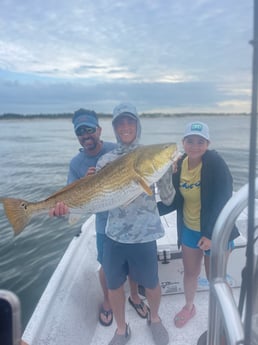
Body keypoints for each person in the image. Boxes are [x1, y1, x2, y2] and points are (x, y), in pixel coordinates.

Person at [50, 108, 149, 327]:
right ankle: (107, 300)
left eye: (90, 129)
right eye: (80, 131)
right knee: (106, 265)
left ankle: (134, 296)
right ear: (77, 135)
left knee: (132, 265)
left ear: (99, 130)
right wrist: (64, 207)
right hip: (103, 223)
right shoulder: (76, 163)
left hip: (126, 221)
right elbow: (70, 199)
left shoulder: (117, 151)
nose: (86, 135)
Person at [96, 103, 174, 345]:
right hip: (115, 236)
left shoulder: (150, 155)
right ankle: (121, 329)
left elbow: (169, 198)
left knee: (151, 284)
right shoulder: (106, 160)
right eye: (120, 123)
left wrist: (166, 174)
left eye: (130, 122)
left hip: (145, 234)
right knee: (114, 286)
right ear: (115, 127)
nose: (125, 127)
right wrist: (69, 207)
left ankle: (155, 319)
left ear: (137, 125)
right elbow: (99, 200)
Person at [158, 121, 239, 328]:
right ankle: (189, 306)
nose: (195, 146)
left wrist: (212, 234)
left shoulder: (215, 162)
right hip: (189, 229)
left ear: (207, 143)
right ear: (183, 143)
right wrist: (150, 211)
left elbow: (224, 198)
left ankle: (226, 316)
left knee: (216, 278)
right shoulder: (179, 164)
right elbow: (177, 200)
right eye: (190, 141)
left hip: (217, 230)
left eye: (200, 141)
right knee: (191, 273)